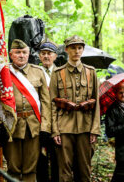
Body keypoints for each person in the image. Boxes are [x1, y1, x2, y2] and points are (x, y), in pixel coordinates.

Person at [50, 35, 100, 181]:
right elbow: (52, 104)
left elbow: (96, 103)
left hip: (86, 127)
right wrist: (55, 131)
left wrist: (95, 130)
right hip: (64, 127)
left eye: (79, 48)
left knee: (84, 171)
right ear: (66, 50)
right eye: (73, 48)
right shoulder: (58, 73)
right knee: (64, 171)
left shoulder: (91, 72)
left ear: (83, 50)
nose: (76, 51)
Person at [5, 39, 51, 181]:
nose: (21, 55)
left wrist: (45, 127)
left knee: (30, 168)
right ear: (11, 54)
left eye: (24, 52)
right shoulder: (4, 73)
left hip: (34, 126)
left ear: (29, 54)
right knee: (13, 167)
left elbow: (46, 102)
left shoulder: (38, 72)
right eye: (17, 52)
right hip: (11, 126)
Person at [37, 40, 59, 182]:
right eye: (43, 53)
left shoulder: (62, 72)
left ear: (55, 56)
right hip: (40, 122)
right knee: (41, 159)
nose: (46, 56)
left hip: (59, 123)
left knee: (58, 159)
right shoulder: (34, 72)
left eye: (49, 53)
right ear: (39, 56)